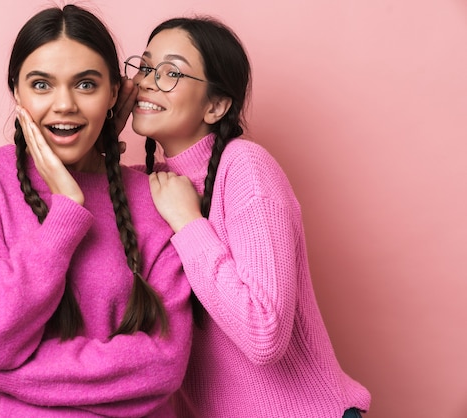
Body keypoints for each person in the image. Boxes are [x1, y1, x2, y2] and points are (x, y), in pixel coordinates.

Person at [0, 5, 192, 417]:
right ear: (16, 91)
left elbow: (162, 365)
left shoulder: (155, 196)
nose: (64, 104)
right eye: (41, 84)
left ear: (113, 93)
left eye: (86, 84)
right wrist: (66, 212)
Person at [120, 16, 372, 417]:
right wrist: (106, 135)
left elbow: (264, 333)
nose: (148, 81)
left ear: (216, 106)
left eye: (171, 72)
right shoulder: (155, 185)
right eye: (146, 67)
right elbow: (80, 198)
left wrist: (189, 225)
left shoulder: (246, 169)